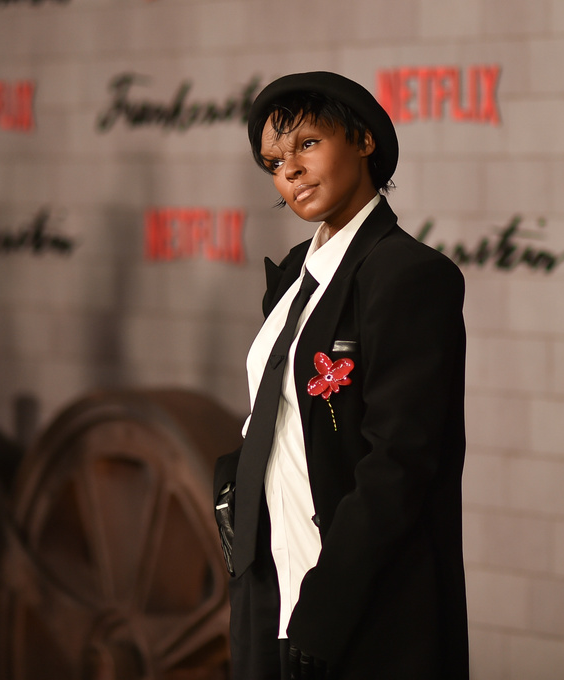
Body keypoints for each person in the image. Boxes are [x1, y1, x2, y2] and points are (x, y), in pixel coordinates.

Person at [213, 71, 468, 680]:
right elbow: (279, 415)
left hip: (356, 601)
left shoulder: (408, 275)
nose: (291, 172)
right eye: (275, 162)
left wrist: (328, 602)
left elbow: (399, 462)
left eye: (307, 144)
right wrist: (232, 489)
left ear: (363, 140)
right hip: (268, 585)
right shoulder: (296, 272)